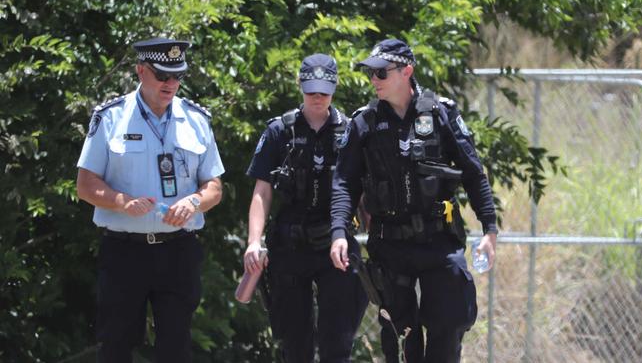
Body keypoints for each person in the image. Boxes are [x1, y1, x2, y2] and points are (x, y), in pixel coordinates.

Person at [329, 38, 498, 363]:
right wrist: (339, 231)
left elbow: (473, 173)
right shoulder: (365, 122)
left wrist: (489, 229)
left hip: (439, 241)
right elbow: (343, 183)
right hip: (390, 246)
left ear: (407, 71)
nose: (374, 81)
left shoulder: (440, 114)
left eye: (381, 73)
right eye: (370, 74)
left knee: (448, 329)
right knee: (400, 340)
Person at [76, 37, 225, 362]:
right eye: (162, 76)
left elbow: (214, 186)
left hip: (177, 251)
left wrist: (195, 203)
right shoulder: (111, 118)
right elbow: (85, 185)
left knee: (175, 346)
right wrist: (120, 202)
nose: (171, 84)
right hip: (124, 251)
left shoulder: (196, 120)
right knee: (115, 343)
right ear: (141, 71)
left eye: (177, 76)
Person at [243, 53, 368, 363]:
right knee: (294, 345)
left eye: (324, 91)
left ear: (335, 88)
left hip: (336, 243)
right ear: (300, 85)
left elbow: (363, 193)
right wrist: (253, 241)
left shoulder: (351, 131)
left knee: (337, 343)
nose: (317, 97)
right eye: (311, 90)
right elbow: (262, 190)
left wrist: (378, 240)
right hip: (290, 245)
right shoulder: (280, 131)